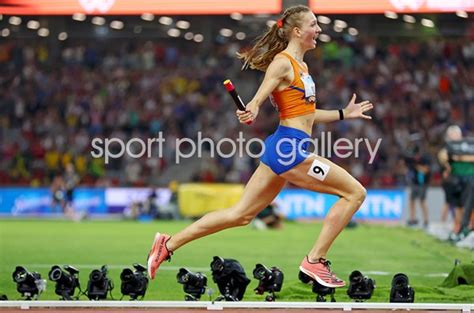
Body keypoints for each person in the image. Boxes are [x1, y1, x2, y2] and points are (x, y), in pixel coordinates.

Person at [147, 5, 373, 288]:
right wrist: (251, 108)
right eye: (314, 25)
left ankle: (168, 244)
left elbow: (306, 114)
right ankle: (315, 260)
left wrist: (343, 113)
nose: (319, 30)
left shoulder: (302, 67)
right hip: (289, 150)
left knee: (240, 215)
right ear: (297, 31)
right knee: (355, 193)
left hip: (284, 147)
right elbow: (258, 97)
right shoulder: (282, 63)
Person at [405, 144, 431, 228]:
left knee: (422, 201)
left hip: (423, 184)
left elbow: (425, 170)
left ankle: (426, 220)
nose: (416, 157)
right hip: (414, 183)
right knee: (412, 200)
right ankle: (412, 219)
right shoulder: (411, 161)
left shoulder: (425, 159)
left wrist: (417, 167)